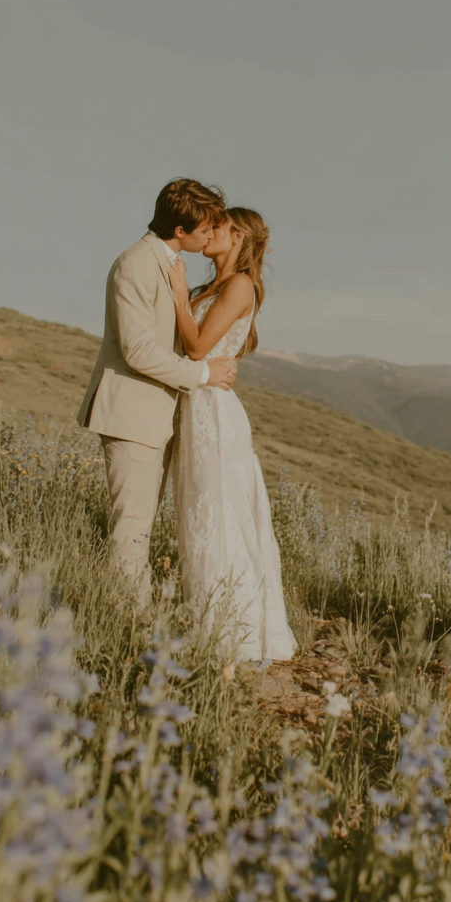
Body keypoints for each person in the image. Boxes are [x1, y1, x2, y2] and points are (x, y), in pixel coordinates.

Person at [77, 179, 238, 599]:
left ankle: (135, 617)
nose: (211, 236)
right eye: (205, 229)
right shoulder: (136, 263)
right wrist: (203, 374)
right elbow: (138, 350)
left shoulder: (165, 261)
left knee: (140, 525)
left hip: (155, 415)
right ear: (180, 230)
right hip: (131, 413)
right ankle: (127, 621)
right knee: (131, 528)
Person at [168, 208, 297, 662]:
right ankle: (206, 619)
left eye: (217, 226)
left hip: (214, 414)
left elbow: (198, 347)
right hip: (195, 405)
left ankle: (234, 633)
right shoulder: (213, 288)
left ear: (238, 235)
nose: (208, 232)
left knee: (220, 513)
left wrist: (180, 295)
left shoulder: (240, 284)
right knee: (199, 515)